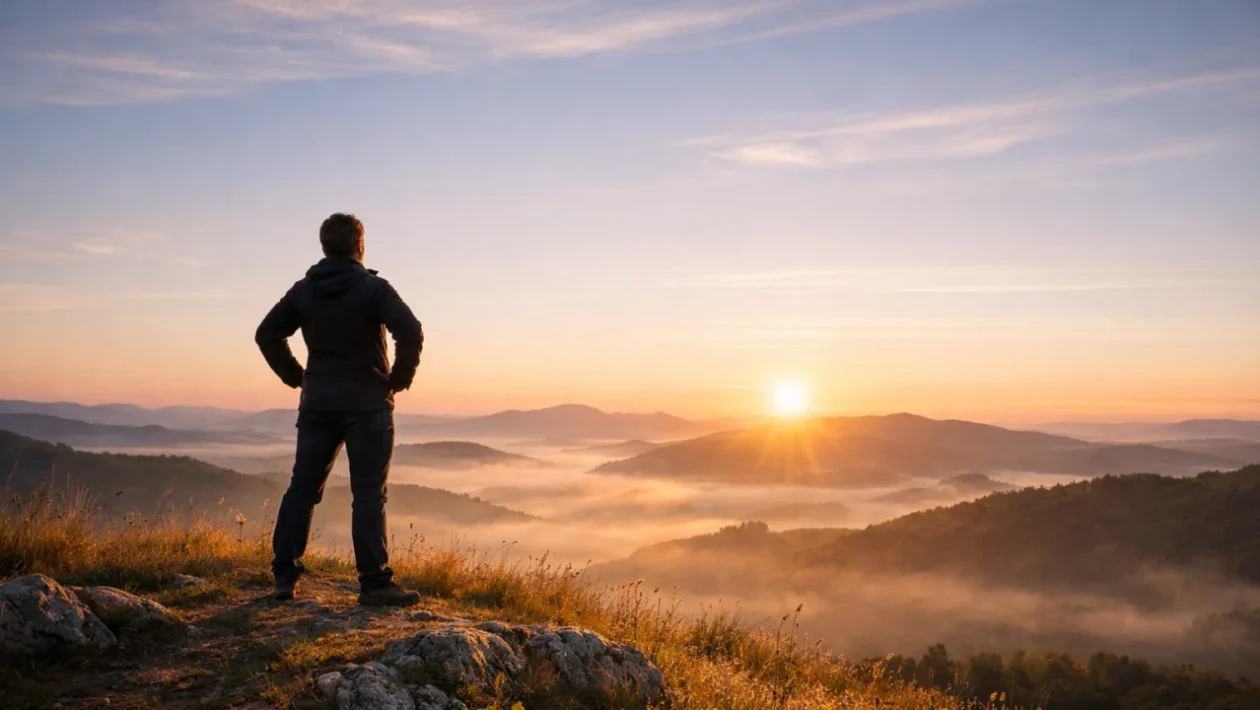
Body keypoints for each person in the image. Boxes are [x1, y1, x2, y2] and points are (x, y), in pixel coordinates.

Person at [255, 213, 424, 606]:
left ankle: (284, 577)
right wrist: (398, 378)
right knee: (367, 494)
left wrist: (298, 377)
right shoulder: (374, 288)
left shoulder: (303, 291)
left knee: (302, 488)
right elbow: (411, 331)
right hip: (368, 405)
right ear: (360, 245)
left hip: (318, 405)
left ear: (324, 246)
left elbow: (267, 334)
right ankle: (375, 584)